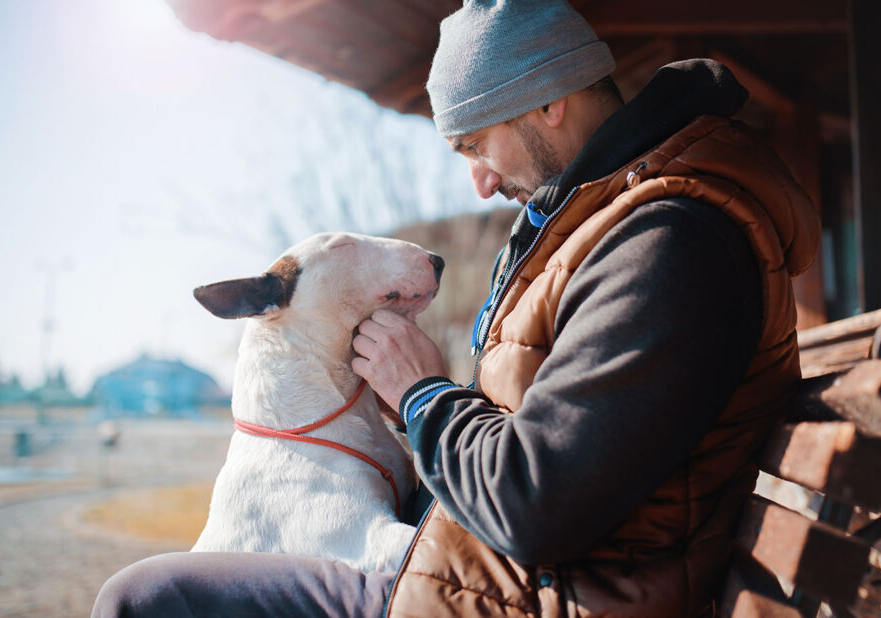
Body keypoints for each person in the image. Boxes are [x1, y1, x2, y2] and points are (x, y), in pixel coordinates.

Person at [92, 1, 820, 616]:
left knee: (147, 597)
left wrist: (424, 394)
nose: (479, 183)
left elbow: (535, 504)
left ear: (548, 101)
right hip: (505, 564)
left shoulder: (668, 243)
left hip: (543, 594)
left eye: (475, 144)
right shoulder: (617, 227)